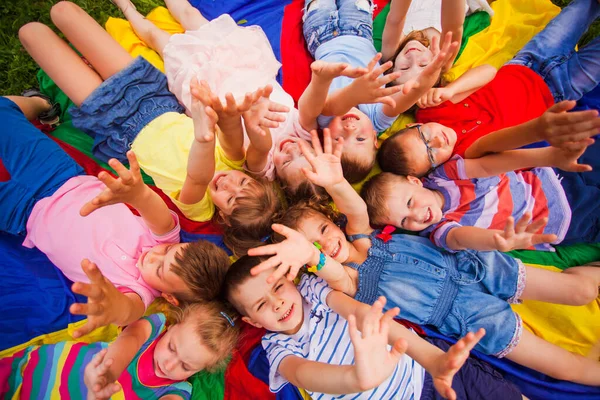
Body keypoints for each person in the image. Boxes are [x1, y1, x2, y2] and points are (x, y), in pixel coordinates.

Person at [247, 129, 600, 385]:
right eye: (315, 250)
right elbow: (333, 273)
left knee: (580, 292)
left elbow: (354, 208)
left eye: (324, 231)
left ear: (332, 221)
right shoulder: (343, 283)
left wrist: (337, 182)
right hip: (467, 316)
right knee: (567, 368)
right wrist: (313, 256)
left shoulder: (364, 237)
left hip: (476, 268)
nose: (326, 245)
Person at [18, 2, 282, 255]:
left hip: (117, 125)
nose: (230, 184)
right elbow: (232, 131)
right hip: (151, 98)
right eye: (244, 183)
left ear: (222, 216)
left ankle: (43, 99)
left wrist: (204, 137)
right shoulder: (232, 162)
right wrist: (239, 113)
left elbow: (198, 177)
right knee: (63, 11)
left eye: (232, 200)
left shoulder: (199, 207)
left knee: (30, 32)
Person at [0, 94, 230, 338]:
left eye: (160, 270)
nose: (154, 256)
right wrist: (139, 193)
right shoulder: (163, 238)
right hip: (59, 176)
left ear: (169, 297)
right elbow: (151, 206)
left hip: (24, 215)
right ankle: (42, 104)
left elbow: (127, 310)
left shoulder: (138, 292)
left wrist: (111, 308)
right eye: (167, 253)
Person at [222, 255, 523, 400]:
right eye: (261, 305)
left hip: (425, 369)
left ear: (291, 279)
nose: (276, 303)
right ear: (252, 322)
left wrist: (433, 361)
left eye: (278, 287)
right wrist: (357, 378)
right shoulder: (278, 348)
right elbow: (302, 374)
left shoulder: (314, 291)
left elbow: (362, 313)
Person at [377, 0, 600, 178]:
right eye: (432, 155)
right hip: (559, 91)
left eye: (424, 138)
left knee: (579, 10)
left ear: (416, 124)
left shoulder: (433, 109)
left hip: (529, 61)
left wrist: (450, 91)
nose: (437, 142)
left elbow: (488, 72)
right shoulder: (465, 157)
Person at [297, 0, 459, 183]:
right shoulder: (376, 119)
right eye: (360, 139)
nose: (350, 129)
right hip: (359, 28)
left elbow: (306, 109)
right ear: (375, 138)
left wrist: (325, 79)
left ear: (325, 139)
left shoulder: (322, 119)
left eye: (338, 138)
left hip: (320, 33)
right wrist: (428, 78)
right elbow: (407, 96)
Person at [361, 137, 600, 252]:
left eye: (410, 203)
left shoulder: (444, 176)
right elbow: (462, 238)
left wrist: (547, 156)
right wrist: (498, 241)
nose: (416, 216)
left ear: (415, 181)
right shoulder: (440, 230)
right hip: (567, 218)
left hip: (552, 176)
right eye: (404, 221)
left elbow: (488, 166)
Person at [0, 302, 239, 399]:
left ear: (202, 370)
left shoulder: (177, 388)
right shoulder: (153, 328)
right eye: (171, 348)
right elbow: (130, 338)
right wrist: (107, 374)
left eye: (186, 366)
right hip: (34, 368)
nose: (169, 364)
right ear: (171, 327)